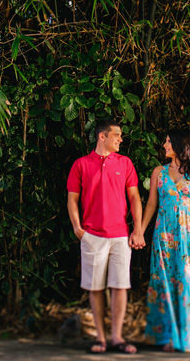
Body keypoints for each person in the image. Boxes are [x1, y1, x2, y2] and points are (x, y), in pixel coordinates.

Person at [67, 118, 145, 354]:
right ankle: (101, 338)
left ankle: (117, 338)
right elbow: (72, 198)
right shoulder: (81, 164)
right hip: (92, 235)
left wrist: (138, 229)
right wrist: (77, 228)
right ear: (102, 136)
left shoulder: (125, 163)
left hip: (120, 235)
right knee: (95, 288)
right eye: (117, 135)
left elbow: (134, 198)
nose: (121, 139)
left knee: (120, 287)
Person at [141, 129, 190, 352]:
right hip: (164, 234)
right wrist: (139, 230)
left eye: (168, 142)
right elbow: (151, 204)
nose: (165, 145)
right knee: (165, 282)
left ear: (179, 145)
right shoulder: (159, 172)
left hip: (188, 235)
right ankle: (168, 336)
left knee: (189, 280)